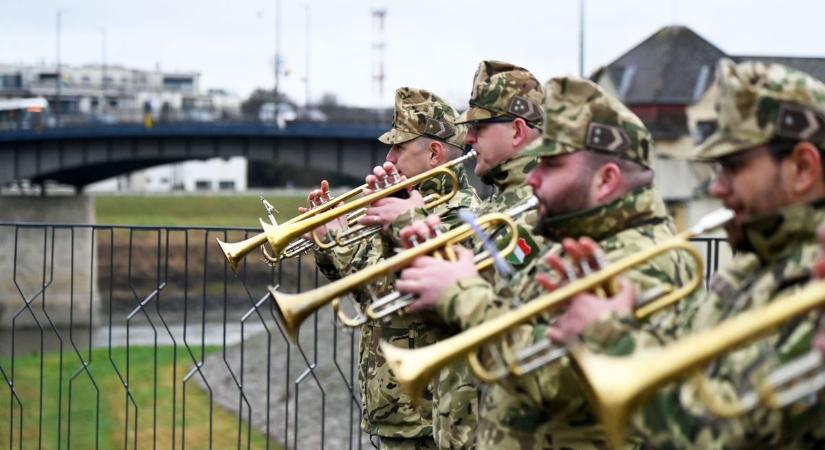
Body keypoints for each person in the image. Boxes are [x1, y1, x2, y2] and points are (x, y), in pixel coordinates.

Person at [396, 76, 695, 449]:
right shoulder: (574, 243)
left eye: (551, 166)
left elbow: (560, 378)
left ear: (605, 180)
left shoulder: (644, 258)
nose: (533, 177)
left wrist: (463, 296)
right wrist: (438, 292)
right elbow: (500, 331)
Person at [551, 59, 825, 448]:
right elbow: (690, 355)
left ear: (802, 167)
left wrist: (612, 336)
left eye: (733, 166)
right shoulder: (750, 264)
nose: (716, 188)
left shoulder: (813, 277)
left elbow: (724, 434)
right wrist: (618, 310)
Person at [308, 87, 479, 450]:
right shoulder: (399, 207)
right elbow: (366, 295)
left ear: (434, 153)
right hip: (393, 410)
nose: (389, 157)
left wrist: (361, 241)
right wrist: (327, 243)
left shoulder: (461, 217)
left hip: (427, 417)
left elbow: (401, 295)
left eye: (399, 147)